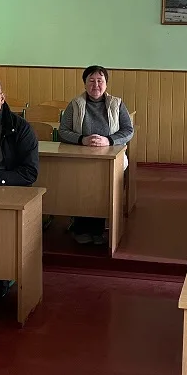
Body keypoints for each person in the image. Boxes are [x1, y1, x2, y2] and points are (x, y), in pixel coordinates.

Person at [59, 65, 134, 245]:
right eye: (91, 81)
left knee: (102, 190)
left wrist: (109, 140)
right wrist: (82, 139)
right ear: (84, 83)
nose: (96, 85)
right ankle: (80, 228)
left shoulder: (117, 104)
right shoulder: (75, 104)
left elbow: (128, 130)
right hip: (82, 156)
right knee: (82, 188)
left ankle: (98, 230)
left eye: (100, 81)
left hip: (110, 155)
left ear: (106, 84)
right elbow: (63, 131)